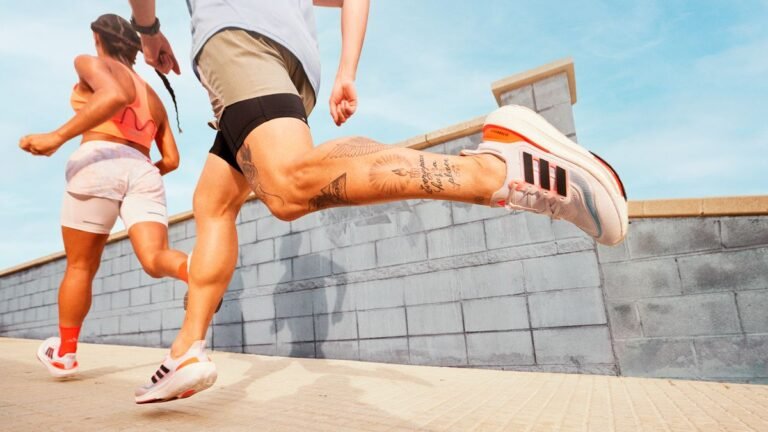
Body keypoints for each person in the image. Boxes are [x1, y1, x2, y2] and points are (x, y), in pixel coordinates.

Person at [127, 0, 628, 403]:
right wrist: (347, 70)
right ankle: (187, 349)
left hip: (234, 33)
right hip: (296, 62)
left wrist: (147, 28)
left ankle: (501, 169)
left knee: (285, 186)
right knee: (214, 201)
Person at [19, 14, 188, 378]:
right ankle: (198, 271)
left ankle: (64, 354)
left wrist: (56, 137)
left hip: (98, 161)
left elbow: (114, 95)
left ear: (98, 37)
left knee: (81, 266)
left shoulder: (90, 62)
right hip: (142, 168)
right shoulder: (154, 96)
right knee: (157, 257)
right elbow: (172, 160)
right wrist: (136, 172)